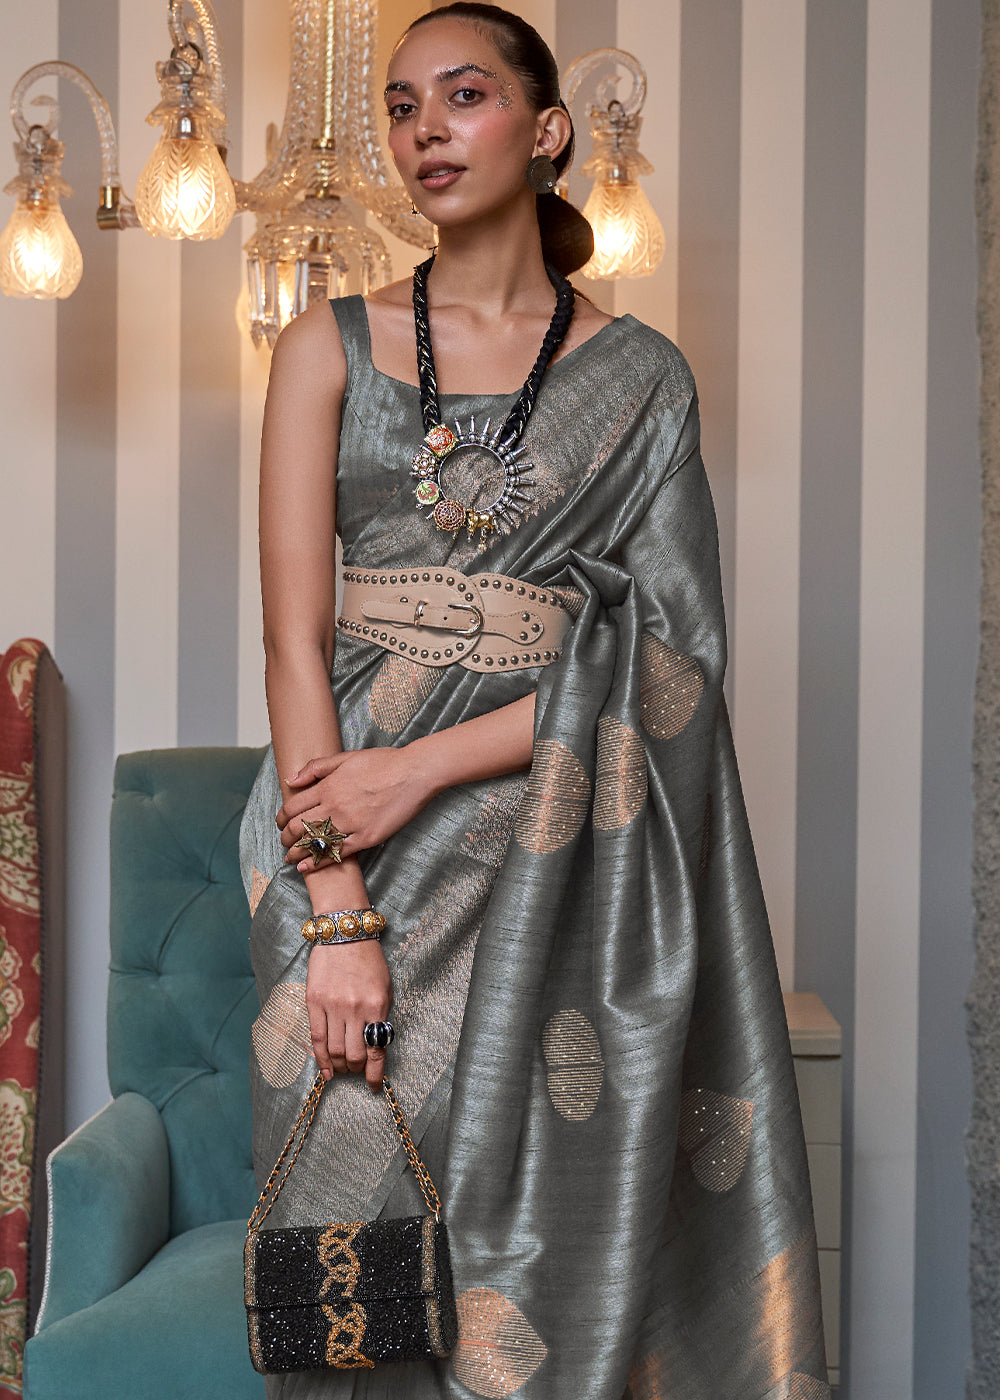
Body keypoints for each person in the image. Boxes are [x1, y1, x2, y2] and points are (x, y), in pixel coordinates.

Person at [239, 5, 828, 1397]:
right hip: (338, 840)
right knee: (353, 1249)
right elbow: (290, 645)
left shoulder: (642, 379)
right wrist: (338, 912)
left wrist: (420, 768)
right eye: (400, 106)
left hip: (547, 841)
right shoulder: (325, 347)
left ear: (548, 128)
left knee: (530, 1255)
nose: (423, 131)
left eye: (463, 95)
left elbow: (671, 660)